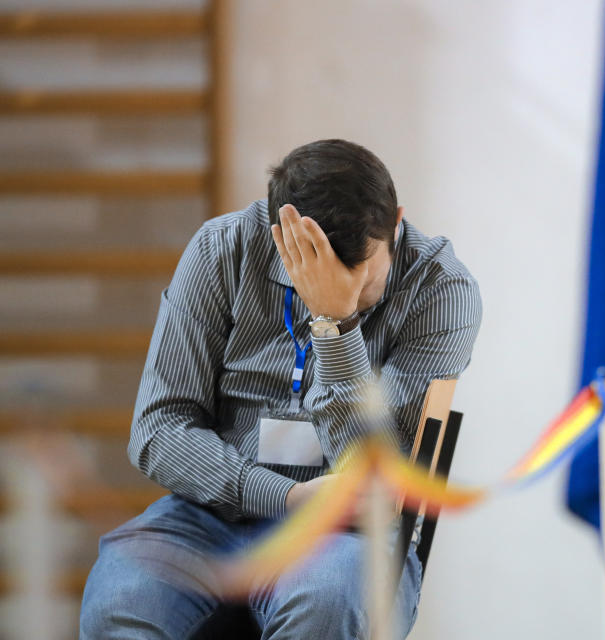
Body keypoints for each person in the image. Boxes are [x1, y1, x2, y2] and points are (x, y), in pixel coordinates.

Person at [79, 139, 483, 639]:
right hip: (210, 513)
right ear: (281, 237)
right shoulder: (220, 249)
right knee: (118, 599)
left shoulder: (441, 290)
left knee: (330, 601)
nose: (345, 290)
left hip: (348, 534)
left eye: (360, 278)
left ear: (396, 222)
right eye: (310, 273)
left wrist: (335, 322)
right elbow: (158, 431)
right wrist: (285, 496)